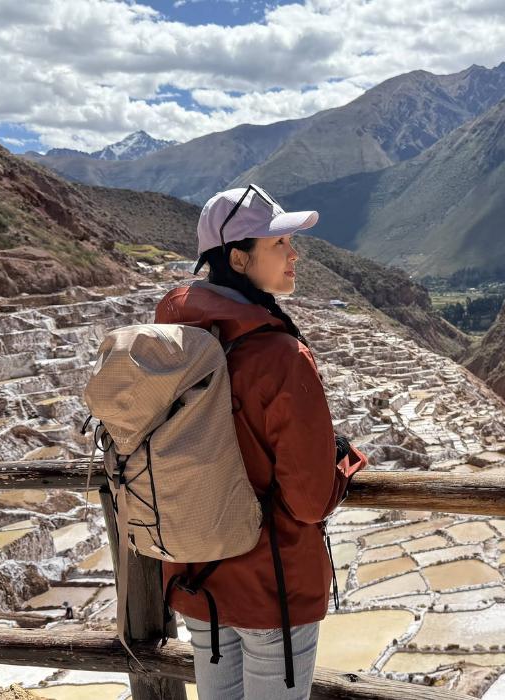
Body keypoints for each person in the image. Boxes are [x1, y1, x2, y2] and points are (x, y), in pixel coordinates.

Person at [155, 184, 364, 699]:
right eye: (279, 244)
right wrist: (346, 462)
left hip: (195, 573)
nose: (294, 254)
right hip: (271, 582)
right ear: (238, 258)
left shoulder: (171, 341)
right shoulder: (279, 356)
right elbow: (310, 500)